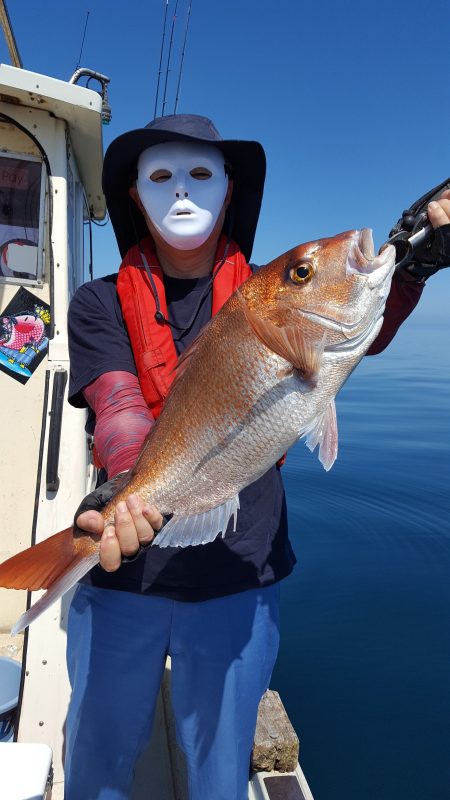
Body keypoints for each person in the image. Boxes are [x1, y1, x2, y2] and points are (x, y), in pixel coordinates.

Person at [64, 114, 450, 800]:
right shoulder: (96, 302)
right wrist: (125, 484)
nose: (182, 190)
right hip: (123, 573)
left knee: (220, 774)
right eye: (161, 176)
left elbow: (354, 326)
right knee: (95, 765)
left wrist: (412, 258)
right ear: (134, 197)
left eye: (200, 173)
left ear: (230, 188)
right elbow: (117, 404)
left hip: (241, 577)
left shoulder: (269, 294)